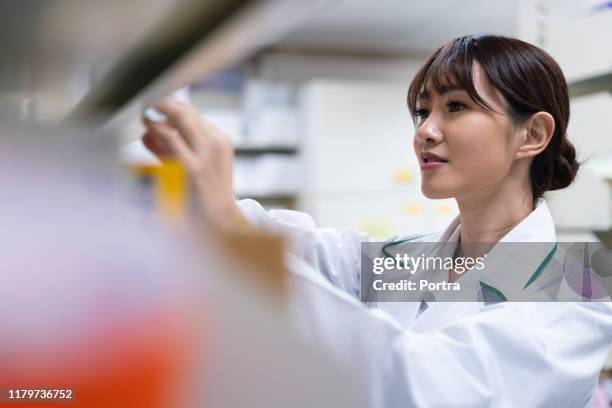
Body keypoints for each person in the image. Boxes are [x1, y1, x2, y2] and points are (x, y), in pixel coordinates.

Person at [142, 34, 612, 407]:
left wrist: (231, 226)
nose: (425, 130)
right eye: (423, 110)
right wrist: (204, 201)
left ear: (532, 133)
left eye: (456, 107)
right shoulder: (413, 261)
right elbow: (305, 248)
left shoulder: (577, 291)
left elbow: (421, 388)